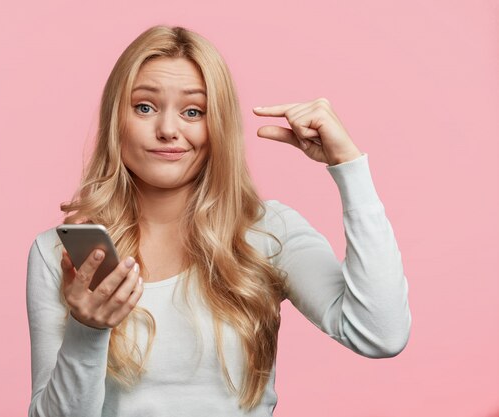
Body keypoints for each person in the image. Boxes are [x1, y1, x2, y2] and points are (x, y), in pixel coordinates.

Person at [25, 25, 412, 417]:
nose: (168, 130)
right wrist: (87, 329)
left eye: (193, 111)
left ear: (218, 126)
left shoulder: (268, 231)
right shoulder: (60, 253)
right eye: (145, 107)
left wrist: (349, 167)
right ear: (115, 119)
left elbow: (381, 333)